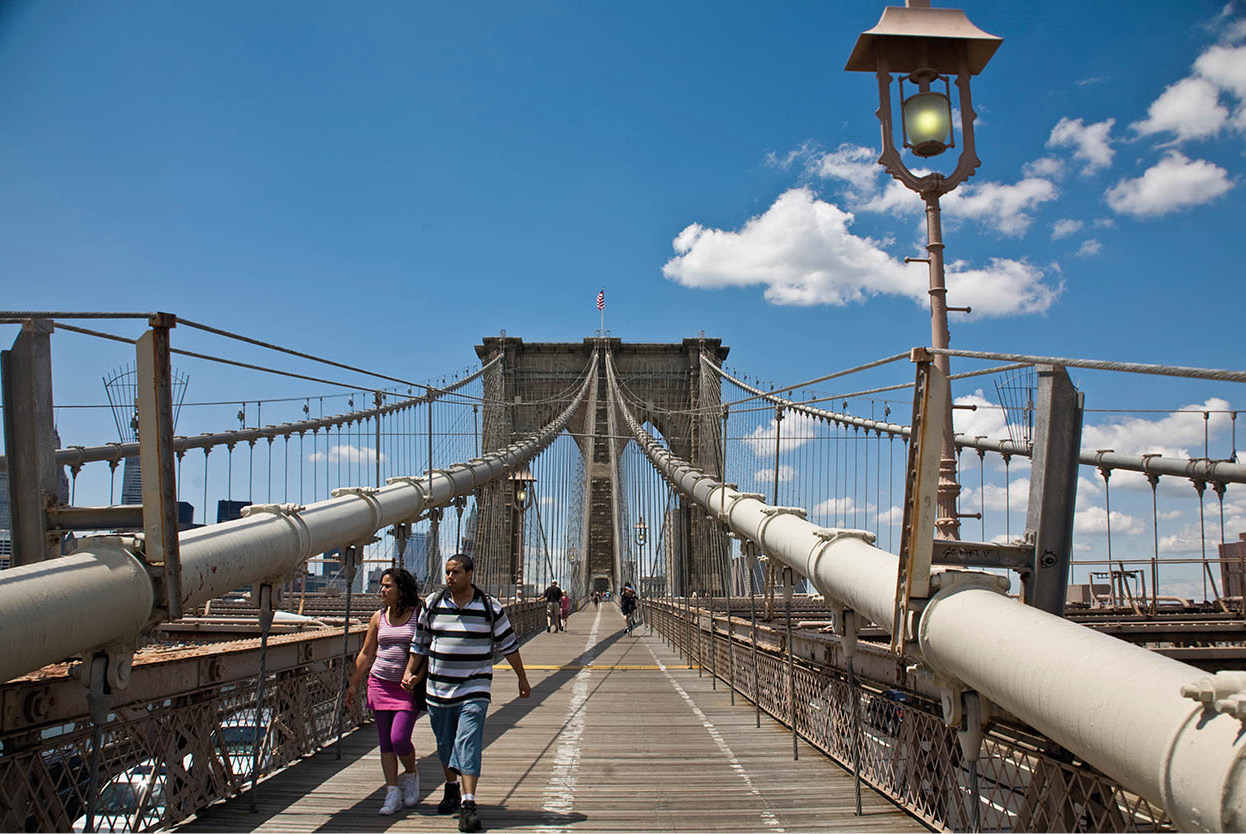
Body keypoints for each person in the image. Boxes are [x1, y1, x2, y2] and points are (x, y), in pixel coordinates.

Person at [404, 554, 531, 833]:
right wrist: (410, 671)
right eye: (447, 573)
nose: (449, 577)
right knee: (445, 743)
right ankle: (451, 787)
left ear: (470, 574)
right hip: (437, 688)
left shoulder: (489, 607)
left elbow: (509, 644)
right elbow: (420, 642)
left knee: (468, 741)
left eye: (455, 572)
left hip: (475, 687)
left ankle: (468, 803)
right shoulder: (432, 604)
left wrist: (522, 678)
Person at [345, 567, 424, 815]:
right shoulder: (378, 617)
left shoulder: (418, 615)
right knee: (385, 743)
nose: (382, 590)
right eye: (382, 585)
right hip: (379, 683)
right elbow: (367, 652)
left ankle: (410, 775)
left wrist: (416, 677)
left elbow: (426, 651)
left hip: (406, 689)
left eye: (388, 586)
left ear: (401, 589)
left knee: (399, 738)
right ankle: (392, 793)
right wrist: (353, 683)